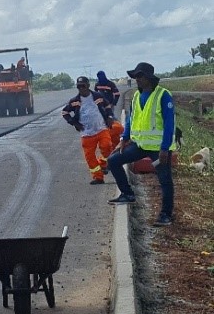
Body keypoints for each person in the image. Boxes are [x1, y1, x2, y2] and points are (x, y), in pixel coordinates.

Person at [106, 62, 176, 227]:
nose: (136, 79)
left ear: (149, 77)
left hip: (158, 148)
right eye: (135, 76)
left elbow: (169, 123)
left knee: (164, 180)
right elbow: (131, 120)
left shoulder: (163, 95)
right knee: (113, 160)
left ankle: (166, 214)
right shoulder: (137, 96)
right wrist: (124, 139)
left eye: (139, 76)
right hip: (140, 145)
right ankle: (127, 194)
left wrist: (165, 148)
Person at [62, 76, 116, 185]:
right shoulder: (74, 101)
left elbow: (107, 106)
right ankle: (98, 177)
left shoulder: (97, 96)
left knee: (107, 146)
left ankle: (103, 164)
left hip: (101, 129)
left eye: (83, 86)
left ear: (88, 85)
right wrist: (74, 123)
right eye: (79, 86)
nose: (81, 88)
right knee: (89, 157)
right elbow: (64, 112)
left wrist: (110, 117)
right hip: (86, 133)